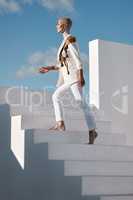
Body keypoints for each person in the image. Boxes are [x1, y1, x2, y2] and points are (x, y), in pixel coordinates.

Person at [39, 17, 98, 144]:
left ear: (64, 26)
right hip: (68, 79)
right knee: (56, 96)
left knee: (82, 104)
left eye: (58, 24)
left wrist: (81, 75)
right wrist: (49, 68)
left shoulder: (70, 39)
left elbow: (77, 59)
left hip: (74, 78)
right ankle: (60, 123)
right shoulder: (64, 42)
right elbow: (62, 64)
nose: (56, 25)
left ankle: (92, 130)